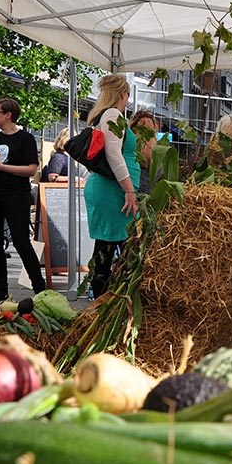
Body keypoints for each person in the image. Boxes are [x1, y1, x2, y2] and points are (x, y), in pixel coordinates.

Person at [0, 98, 47, 302]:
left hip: (16, 195)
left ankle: (39, 287)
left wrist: (2, 167)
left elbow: (31, 169)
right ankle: (0, 288)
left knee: (21, 241)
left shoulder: (25, 139)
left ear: (8, 115)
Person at [84, 74, 141, 298]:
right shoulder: (113, 115)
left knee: (109, 247)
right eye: (127, 95)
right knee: (113, 248)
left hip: (110, 189)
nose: (127, 100)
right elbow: (114, 155)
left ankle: (104, 299)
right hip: (113, 192)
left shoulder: (104, 116)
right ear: (123, 94)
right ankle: (103, 299)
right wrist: (129, 190)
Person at [129, 111, 160, 194]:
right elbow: (145, 161)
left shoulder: (159, 145)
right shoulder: (133, 144)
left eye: (149, 122)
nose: (146, 125)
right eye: (142, 123)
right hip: (139, 187)